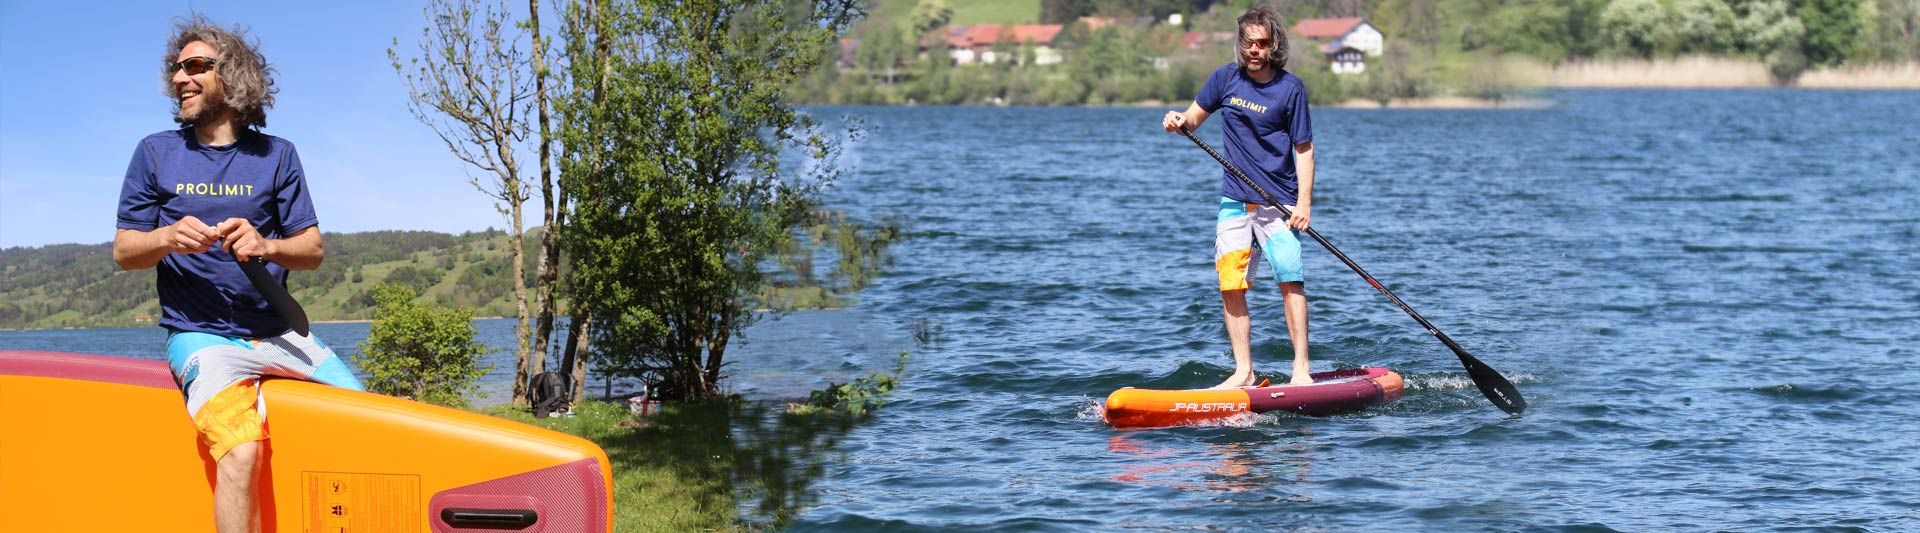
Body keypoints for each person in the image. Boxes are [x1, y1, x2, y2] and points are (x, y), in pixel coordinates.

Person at [112, 15, 364, 533]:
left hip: (279, 332)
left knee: (367, 422)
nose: (180, 77)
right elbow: (123, 251)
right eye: (176, 69)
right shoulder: (156, 152)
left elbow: (312, 250)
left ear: (233, 75)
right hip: (201, 337)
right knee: (242, 451)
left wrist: (265, 243)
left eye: (195, 66)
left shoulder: (277, 155)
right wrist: (165, 237)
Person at [1161, 4, 1317, 388]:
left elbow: (1304, 149)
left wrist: (1304, 205)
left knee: (1290, 281)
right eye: (1248, 43)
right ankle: (1244, 371)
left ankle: (1301, 370)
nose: (1254, 50)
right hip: (1234, 202)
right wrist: (1178, 120)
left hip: (1278, 205)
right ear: (1240, 43)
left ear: (1273, 46)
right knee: (1230, 284)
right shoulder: (1224, 79)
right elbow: (1193, 118)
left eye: (1262, 44)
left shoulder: (1290, 89)